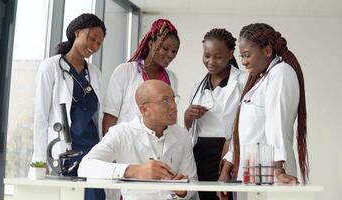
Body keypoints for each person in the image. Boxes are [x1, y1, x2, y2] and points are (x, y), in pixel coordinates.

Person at [219, 23, 309, 199]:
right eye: (241, 56)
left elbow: (277, 123)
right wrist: (226, 170)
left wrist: (280, 170)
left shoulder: (281, 73)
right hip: (251, 173)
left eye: (247, 55)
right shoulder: (260, 79)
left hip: (272, 175)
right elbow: (243, 131)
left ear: (267, 51)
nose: (243, 62)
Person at [78, 80, 198, 200]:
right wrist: (133, 171)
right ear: (144, 109)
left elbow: (192, 183)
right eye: (165, 101)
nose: (174, 106)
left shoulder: (182, 135)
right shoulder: (121, 133)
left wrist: (182, 193)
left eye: (173, 99)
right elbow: (85, 167)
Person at [32, 13, 106, 200]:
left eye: (99, 43)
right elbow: (41, 117)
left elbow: (99, 116)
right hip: (62, 152)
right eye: (92, 38)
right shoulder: (51, 67)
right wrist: (40, 161)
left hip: (92, 152)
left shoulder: (95, 73)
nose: (95, 46)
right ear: (77, 32)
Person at [184, 28, 247, 200]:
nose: (211, 62)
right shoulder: (198, 85)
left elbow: (245, 124)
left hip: (226, 151)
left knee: (224, 196)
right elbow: (190, 129)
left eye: (218, 57)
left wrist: (228, 160)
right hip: (200, 152)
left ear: (230, 53)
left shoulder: (243, 81)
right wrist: (188, 116)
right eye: (207, 55)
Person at [102, 19, 180, 134]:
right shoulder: (125, 71)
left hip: (159, 145)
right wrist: (108, 147)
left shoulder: (171, 78)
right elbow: (110, 115)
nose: (170, 54)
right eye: (165, 48)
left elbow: (171, 114)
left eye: (174, 51)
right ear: (151, 44)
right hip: (127, 144)